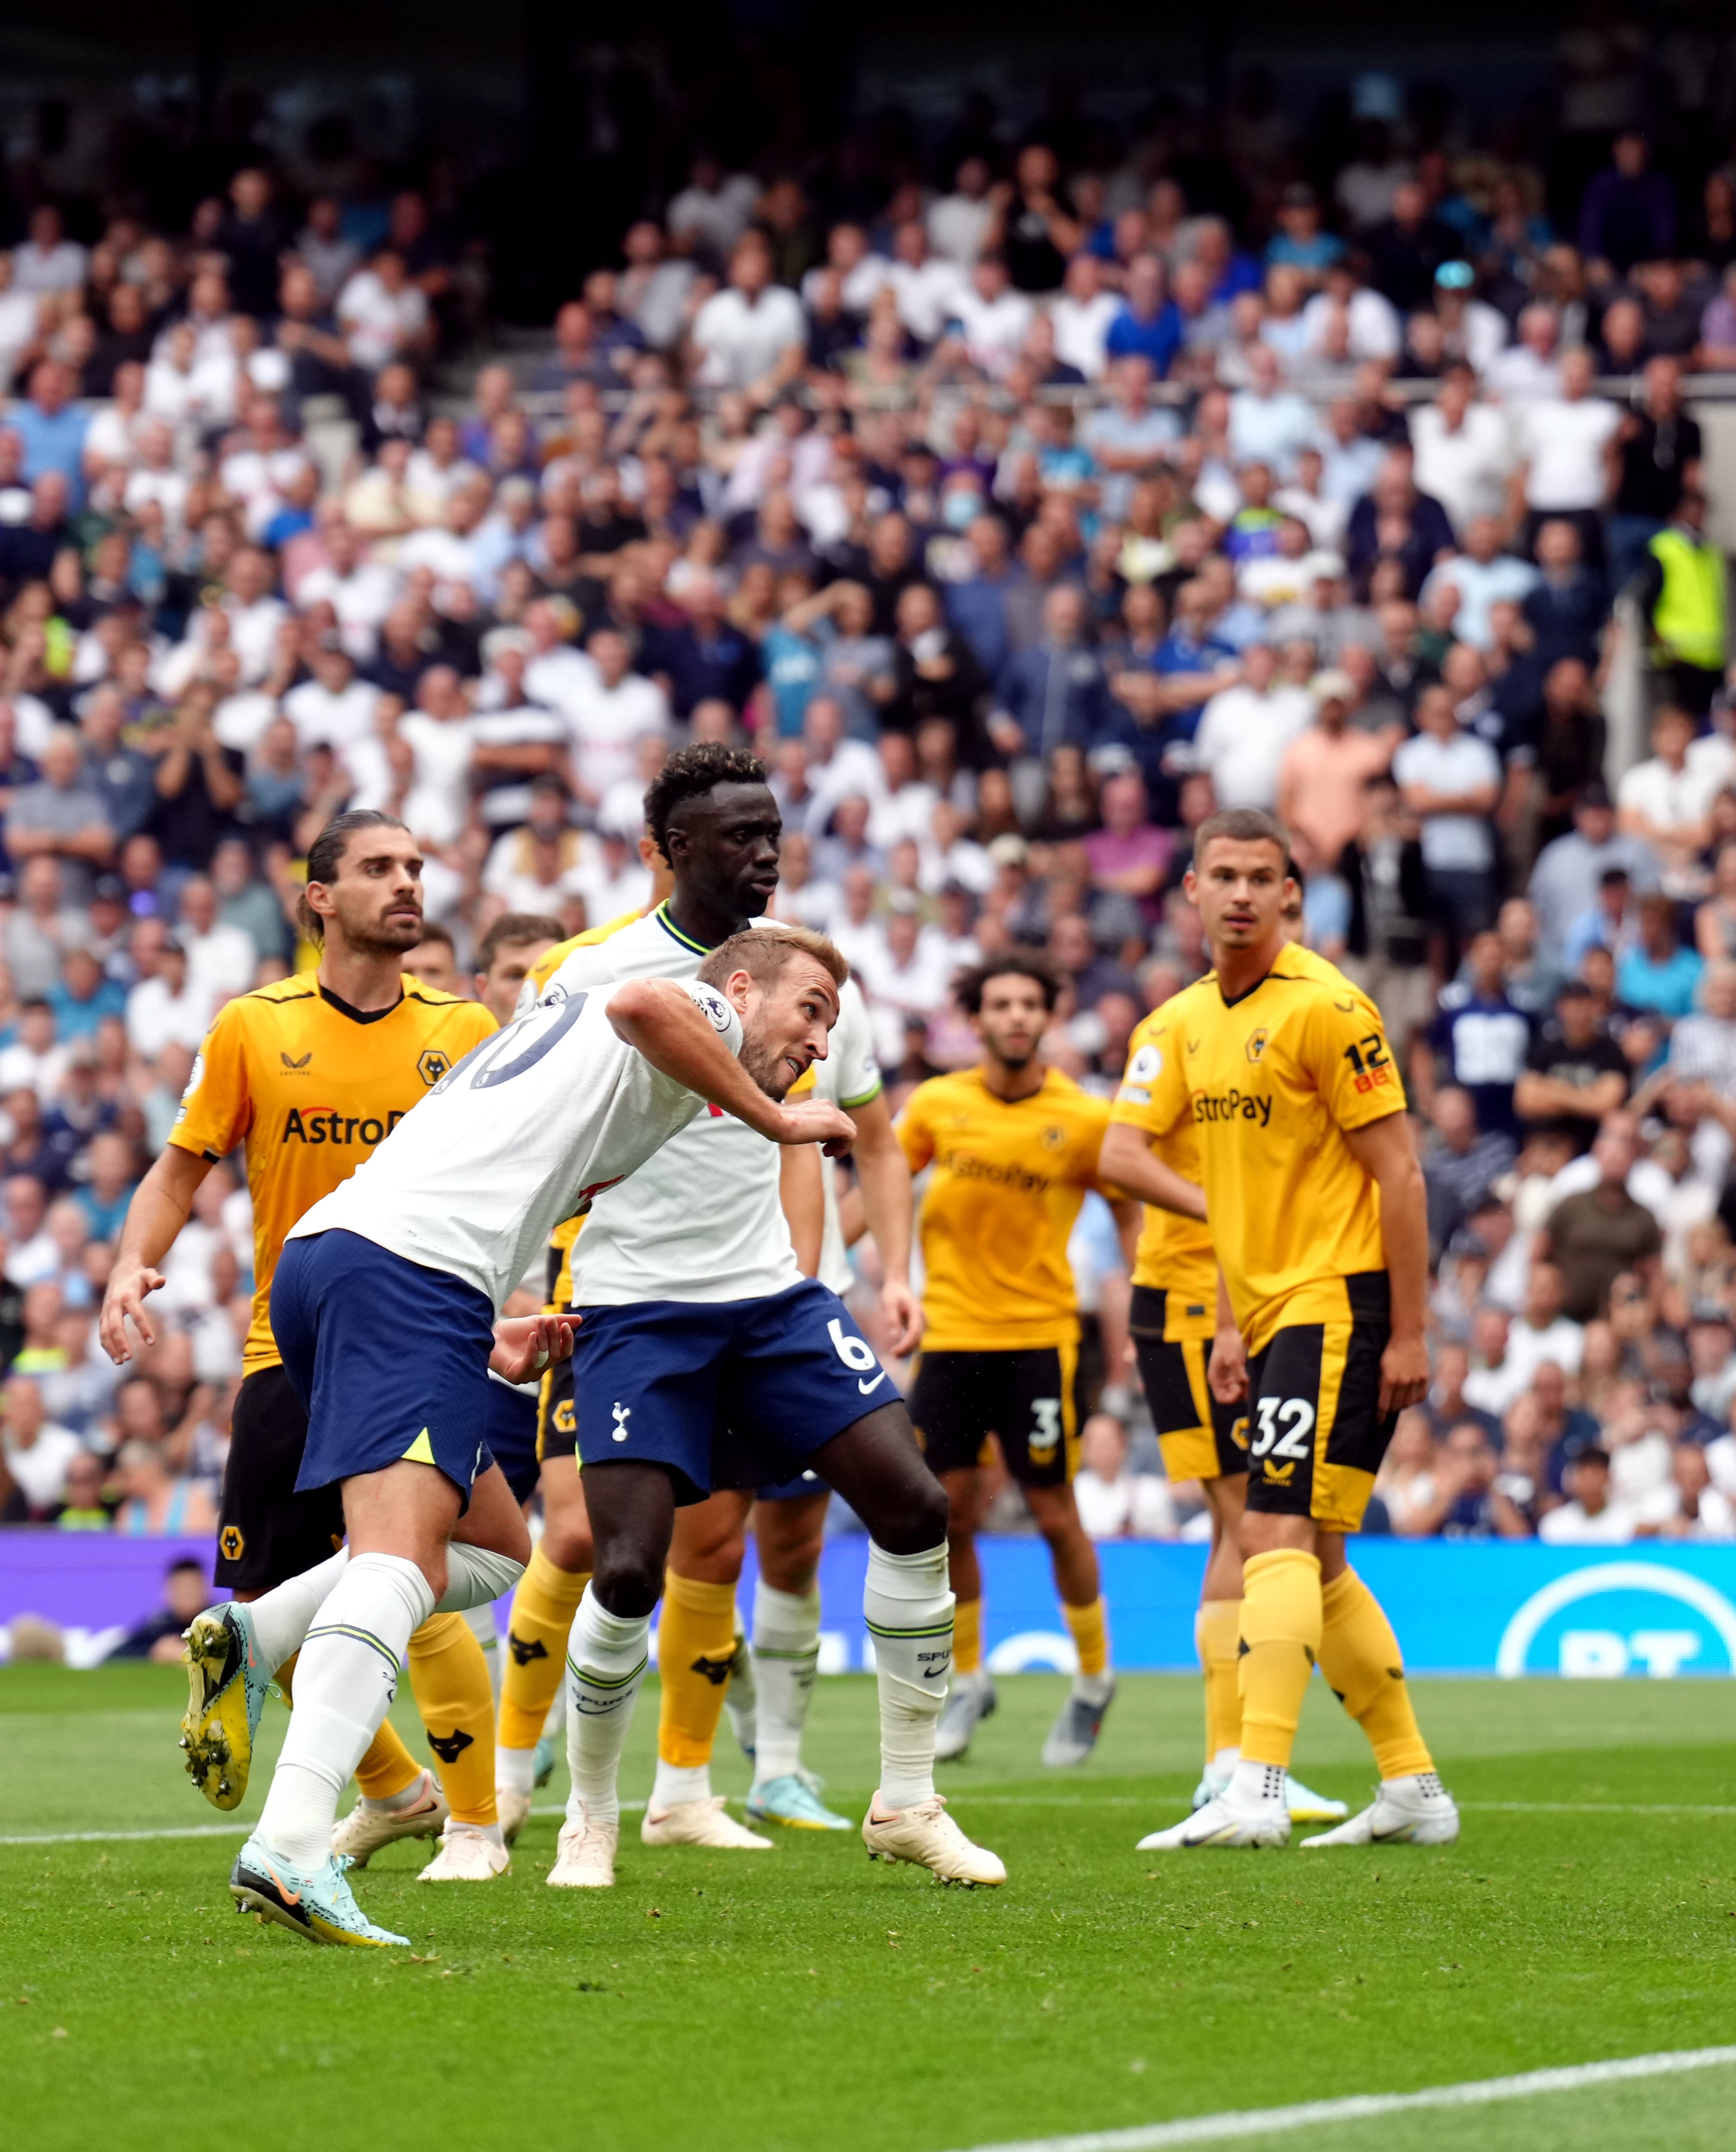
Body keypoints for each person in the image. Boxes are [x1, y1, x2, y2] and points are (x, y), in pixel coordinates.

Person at [199, 915, 854, 1948]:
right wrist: (777, 1123)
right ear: (739, 984)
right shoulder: (684, 1002)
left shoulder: (591, 1043)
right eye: (811, 1012)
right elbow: (646, 1003)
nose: (820, 1045)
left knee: (498, 1548)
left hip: (365, 1272)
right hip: (404, 1272)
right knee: (397, 1562)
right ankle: (288, 1849)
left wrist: (486, 1334)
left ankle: (256, 1635)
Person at [532, 751, 999, 1893]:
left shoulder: (814, 977)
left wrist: (897, 1266)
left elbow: (871, 1132)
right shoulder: (593, 974)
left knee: (916, 1501)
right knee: (631, 1570)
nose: (766, 854)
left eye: (773, 832)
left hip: (773, 1297)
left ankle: (906, 1799)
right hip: (637, 1309)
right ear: (671, 850)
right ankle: (591, 1815)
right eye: (738, 836)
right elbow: (531, 1140)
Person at [97, 810, 506, 1876]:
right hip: (293, 1349)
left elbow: (504, 1185)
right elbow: (181, 1166)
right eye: (379, 868)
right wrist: (133, 1260)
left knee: (433, 1566)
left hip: (423, 1341)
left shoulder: (463, 1032)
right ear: (319, 897)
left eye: (415, 866)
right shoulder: (252, 1027)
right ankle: (395, 1793)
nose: (407, 883)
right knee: (271, 1602)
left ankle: (462, 1820)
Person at [1101, 807, 1459, 1850]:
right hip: (1266, 1313)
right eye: (1225, 875)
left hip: (1338, 1300)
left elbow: (1400, 1171)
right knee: (1324, 1554)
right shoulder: (1192, 1021)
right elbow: (1240, 1197)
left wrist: (1413, 1332)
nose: (1244, 893)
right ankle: (1411, 1788)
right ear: (1194, 893)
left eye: (1264, 877)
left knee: (1270, 1533)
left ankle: (1255, 1783)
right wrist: (1224, 1320)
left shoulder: (1329, 1009)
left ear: (1293, 896)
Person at [899, 954, 1205, 1767]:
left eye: (1029, 1003)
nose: (1014, 1016)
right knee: (945, 1518)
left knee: (1055, 1514)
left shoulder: (1084, 1118)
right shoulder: (936, 1105)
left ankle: (1095, 1679)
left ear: (1047, 1016)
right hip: (950, 1342)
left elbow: (1132, 1207)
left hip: (1037, 1342)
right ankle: (967, 1678)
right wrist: (849, 1266)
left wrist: (1153, 1297)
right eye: (999, 1003)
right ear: (976, 1017)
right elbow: (883, 1183)